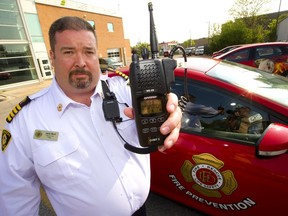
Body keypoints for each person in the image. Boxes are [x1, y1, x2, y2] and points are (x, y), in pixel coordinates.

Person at [0, 16, 181, 216]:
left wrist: (173, 113)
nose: (81, 62)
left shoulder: (127, 90)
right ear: (52, 57)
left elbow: (163, 113)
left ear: (97, 55)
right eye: (68, 52)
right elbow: (15, 199)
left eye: (88, 52)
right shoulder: (24, 121)